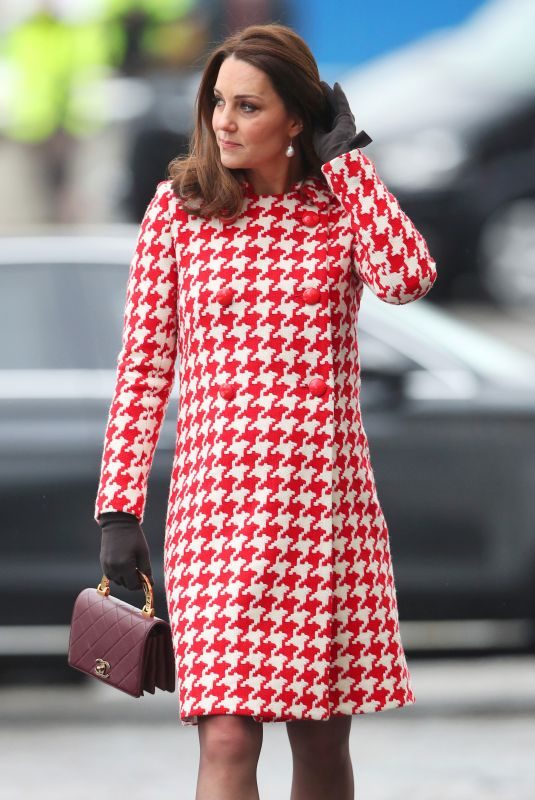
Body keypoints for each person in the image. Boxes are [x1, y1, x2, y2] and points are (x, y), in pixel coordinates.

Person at [94, 22, 437, 800]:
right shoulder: (179, 211)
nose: (223, 121)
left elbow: (408, 277)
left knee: (319, 737)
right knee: (223, 732)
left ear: (296, 119)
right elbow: (144, 367)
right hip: (217, 513)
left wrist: (349, 166)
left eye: (247, 106)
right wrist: (118, 509)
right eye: (217, 102)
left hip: (323, 513)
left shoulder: (336, 207)